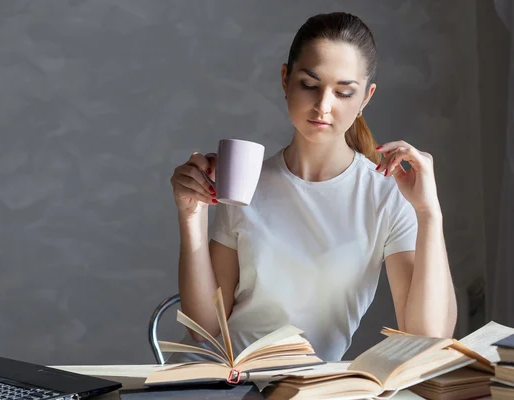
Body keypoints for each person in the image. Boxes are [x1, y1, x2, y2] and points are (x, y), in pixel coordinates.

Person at [169, 12, 457, 362]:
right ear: (285, 79)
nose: (323, 105)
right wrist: (191, 216)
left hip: (306, 389)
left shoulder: (385, 195)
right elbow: (204, 329)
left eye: (344, 92)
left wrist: (429, 213)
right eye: (309, 84)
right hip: (220, 380)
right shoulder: (243, 185)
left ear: (365, 98)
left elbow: (428, 339)